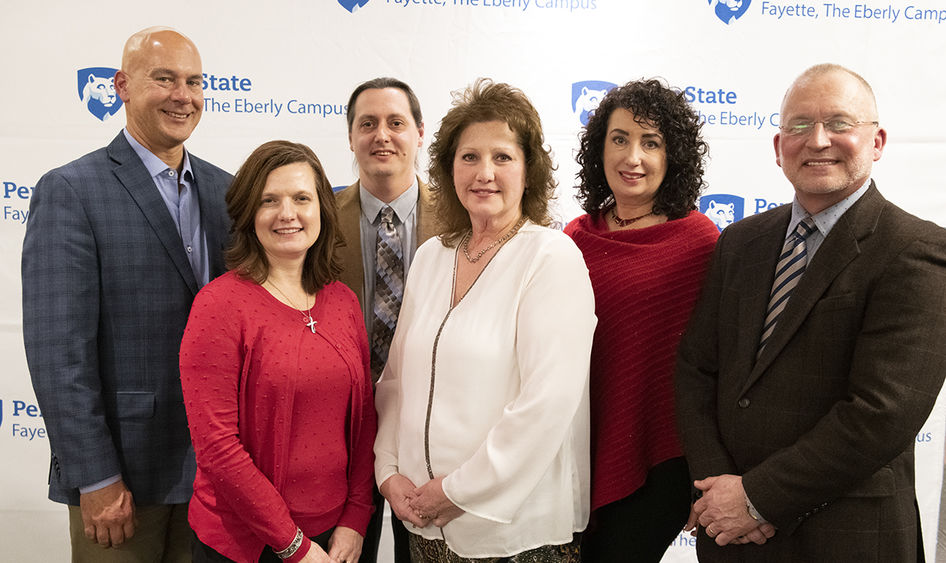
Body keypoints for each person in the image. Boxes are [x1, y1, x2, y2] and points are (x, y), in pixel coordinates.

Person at [675, 63, 946, 561]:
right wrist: (719, 491)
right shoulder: (741, 241)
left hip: (845, 537)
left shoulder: (917, 249)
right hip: (731, 534)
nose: (818, 140)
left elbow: (882, 414)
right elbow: (697, 369)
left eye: (840, 123)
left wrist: (756, 499)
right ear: (779, 149)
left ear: (877, 141)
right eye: (798, 126)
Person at [21, 27, 230, 561]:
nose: (183, 95)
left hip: (217, 472)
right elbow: (57, 352)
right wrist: (95, 476)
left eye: (194, 81)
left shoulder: (228, 191)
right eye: (164, 79)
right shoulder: (71, 190)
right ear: (122, 86)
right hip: (124, 478)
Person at [374, 78, 597, 562]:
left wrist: (457, 491)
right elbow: (396, 380)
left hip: (513, 538)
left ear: (529, 169)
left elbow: (547, 404)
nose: (484, 173)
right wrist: (388, 470)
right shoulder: (432, 255)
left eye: (502, 157)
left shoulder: (550, 256)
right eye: (469, 157)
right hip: (422, 526)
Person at [180, 140, 376, 563]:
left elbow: (364, 422)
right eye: (270, 200)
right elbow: (217, 447)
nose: (287, 214)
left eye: (301, 198)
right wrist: (295, 546)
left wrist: (357, 518)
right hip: (248, 544)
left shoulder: (342, 300)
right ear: (250, 214)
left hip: (336, 537)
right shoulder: (220, 305)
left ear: (322, 208)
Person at [563, 79, 719, 562]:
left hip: (659, 460)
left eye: (651, 143)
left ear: (672, 156)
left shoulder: (699, 242)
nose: (633, 157)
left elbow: (715, 363)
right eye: (620, 139)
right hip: (570, 448)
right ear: (599, 148)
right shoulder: (573, 235)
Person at [335, 77, 438, 563]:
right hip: (340, 428)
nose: (382, 135)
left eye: (396, 123)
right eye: (367, 123)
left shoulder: (464, 219)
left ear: (420, 132)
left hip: (429, 428)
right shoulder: (315, 220)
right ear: (350, 136)